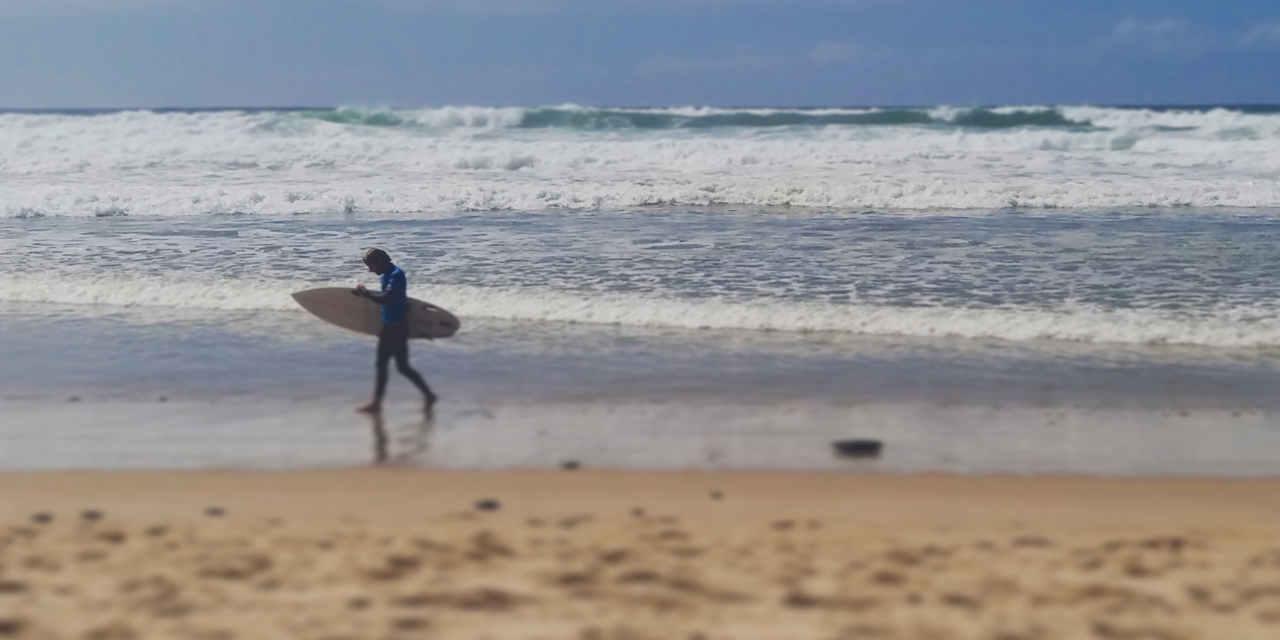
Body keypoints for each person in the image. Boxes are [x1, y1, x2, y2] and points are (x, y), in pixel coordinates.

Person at [353, 248, 436, 415]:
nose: (370, 270)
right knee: (387, 365)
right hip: (390, 324)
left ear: (381, 262)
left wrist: (367, 294)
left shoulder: (396, 275)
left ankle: (428, 395)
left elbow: (387, 299)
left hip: (396, 327)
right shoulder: (388, 275)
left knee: (400, 366)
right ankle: (378, 402)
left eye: (371, 266)